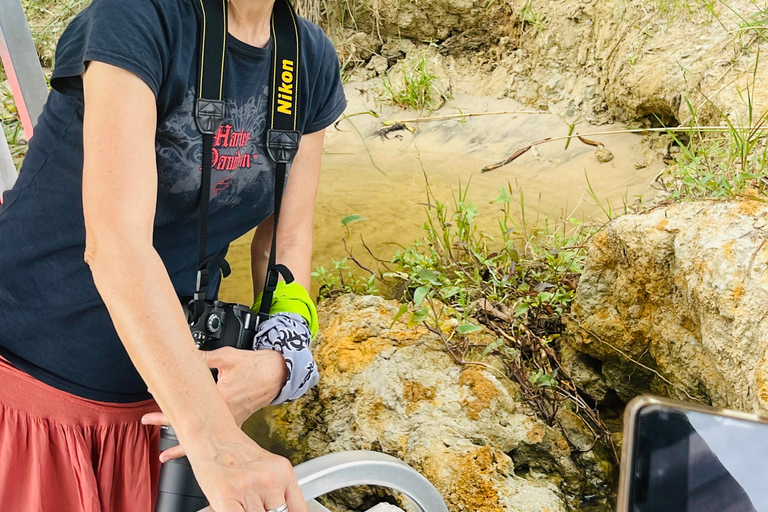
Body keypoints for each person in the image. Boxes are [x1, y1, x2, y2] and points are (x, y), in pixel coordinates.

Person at [0, 0, 346, 509]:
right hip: (32, 386)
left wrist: (283, 359)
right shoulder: (139, 16)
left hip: (163, 399)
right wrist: (215, 440)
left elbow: (284, 244)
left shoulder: (310, 59)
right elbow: (116, 241)